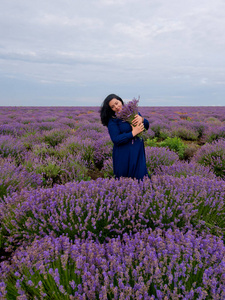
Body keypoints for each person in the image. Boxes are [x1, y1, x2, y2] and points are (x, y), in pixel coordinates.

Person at [100, 93, 149, 180]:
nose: (116, 107)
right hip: (124, 154)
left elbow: (146, 127)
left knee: (141, 179)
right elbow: (116, 139)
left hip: (138, 151)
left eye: (116, 103)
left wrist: (142, 119)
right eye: (112, 106)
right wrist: (133, 133)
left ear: (120, 101)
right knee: (125, 181)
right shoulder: (113, 121)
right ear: (111, 109)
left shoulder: (133, 112)